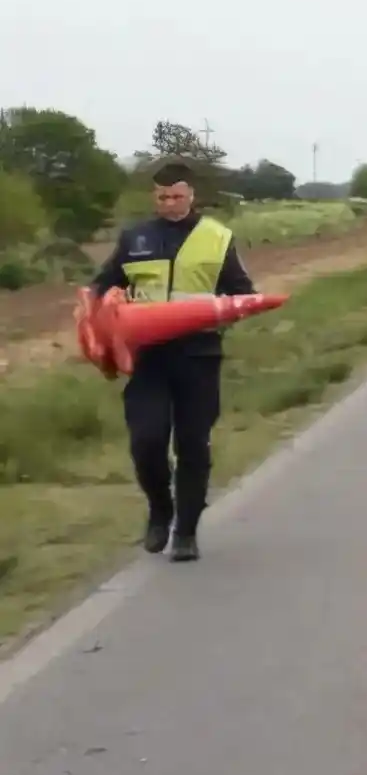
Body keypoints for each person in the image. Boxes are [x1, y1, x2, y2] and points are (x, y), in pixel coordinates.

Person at [89, 163, 256, 562]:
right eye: (162, 197)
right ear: (155, 196)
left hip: (197, 357)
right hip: (147, 359)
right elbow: (106, 283)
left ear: (191, 195)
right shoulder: (135, 238)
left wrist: (222, 319)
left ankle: (186, 532)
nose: (169, 203)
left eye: (177, 196)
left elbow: (241, 294)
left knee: (193, 445)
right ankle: (160, 510)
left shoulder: (217, 238)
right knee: (146, 441)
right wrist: (97, 306)